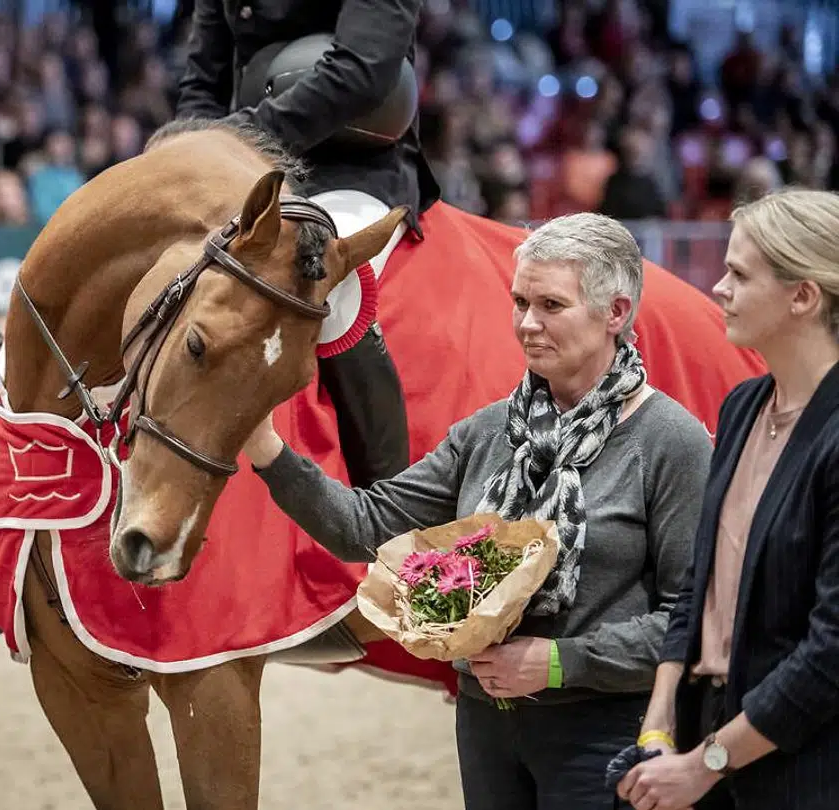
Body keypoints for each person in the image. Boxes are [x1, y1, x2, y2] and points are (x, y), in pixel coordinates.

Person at [243, 213, 713, 810]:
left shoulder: (672, 442)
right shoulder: (488, 433)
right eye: (519, 301)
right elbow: (362, 526)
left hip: (602, 730)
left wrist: (560, 662)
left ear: (616, 313)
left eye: (551, 305)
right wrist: (268, 449)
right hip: (485, 725)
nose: (526, 324)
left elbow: (687, 620)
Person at [620, 188, 839, 810]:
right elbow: (699, 582)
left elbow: (830, 653)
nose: (718, 288)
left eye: (739, 274)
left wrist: (710, 760)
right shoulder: (743, 407)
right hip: (706, 735)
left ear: (803, 296)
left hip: (801, 761)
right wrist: (660, 722)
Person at [176, 0, 435, 489]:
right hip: (248, 165)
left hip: (350, 162)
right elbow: (202, 84)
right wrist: (191, 152)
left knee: (323, 279)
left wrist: (238, 138)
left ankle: (389, 500)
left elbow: (363, 71)